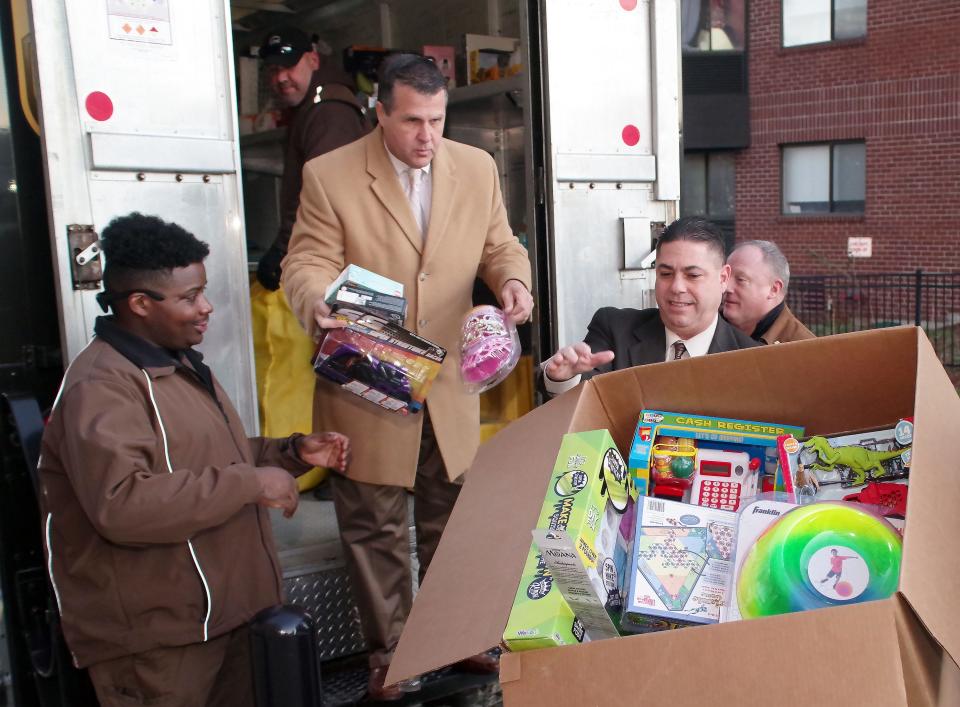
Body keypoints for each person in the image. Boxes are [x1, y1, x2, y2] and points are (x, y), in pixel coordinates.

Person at [282, 54, 533, 701]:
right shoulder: (330, 175)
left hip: (448, 382)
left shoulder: (475, 167)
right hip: (367, 378)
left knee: (455, 517)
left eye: (438, 120)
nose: (428, 136)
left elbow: (500, 243)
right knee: (375, 526)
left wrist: (512, 279)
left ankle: (460, 635)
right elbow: (304, 260)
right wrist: (315, 300)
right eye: (414, 121)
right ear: (381, 114)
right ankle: (390, 653)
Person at [38, 213, 351, 707]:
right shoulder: (100, 386)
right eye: (189, 298)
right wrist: (252, 483)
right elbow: (122, 504)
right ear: (140, 304)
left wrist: (289, 454)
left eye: (202, 292)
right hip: (159, 643)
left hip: (223, 622)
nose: (206, 308)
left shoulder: (176, 362)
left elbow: (209, 458)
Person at [542, 216, 756, 394]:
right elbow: (585, 396)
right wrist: (564, 378)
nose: (677, 287)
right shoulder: (615, 329)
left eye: (692, 275)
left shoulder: (754, 361)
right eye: (665, 274)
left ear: (723, 278)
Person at [255, 26, 370, 290]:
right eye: (273, 70)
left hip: (338, 264)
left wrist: (282, 251)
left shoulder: (329, 111)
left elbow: (321, 193)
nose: (281, 78)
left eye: (289, 66)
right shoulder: (312, 106)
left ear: (313, 60)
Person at [722, 240, 815, 344]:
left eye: (740, 280)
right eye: (725, 277)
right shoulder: (706, 328)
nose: (726, 287)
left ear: (774, 289)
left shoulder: (804, 350)